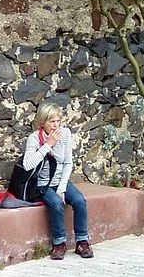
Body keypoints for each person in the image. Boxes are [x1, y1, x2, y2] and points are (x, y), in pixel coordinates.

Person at [21, 102, 93, 260]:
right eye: (51, 121)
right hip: (43, 184)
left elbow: (68, 163)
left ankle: (82, 241)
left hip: (61, 180)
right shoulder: (34, 139)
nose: (55, 125)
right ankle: (59, 243)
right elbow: (27, 165)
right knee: (55, 203)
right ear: (42, 123)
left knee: (79, 200)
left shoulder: (65, 134)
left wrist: (62, 188)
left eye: (58, 121)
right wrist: (48, 145)